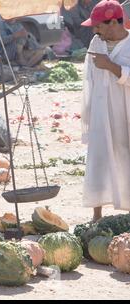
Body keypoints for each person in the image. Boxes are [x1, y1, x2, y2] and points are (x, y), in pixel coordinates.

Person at [80, 0, 130, 222]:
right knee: (99, 158)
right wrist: (88, 113)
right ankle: (96, 214)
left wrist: (110, 65)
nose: (95, 30)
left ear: (112, 22)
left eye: (98, 25)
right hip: (101, 110)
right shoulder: (96, 42)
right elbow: (88, 79)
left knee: (125, 156)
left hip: (126, 112)